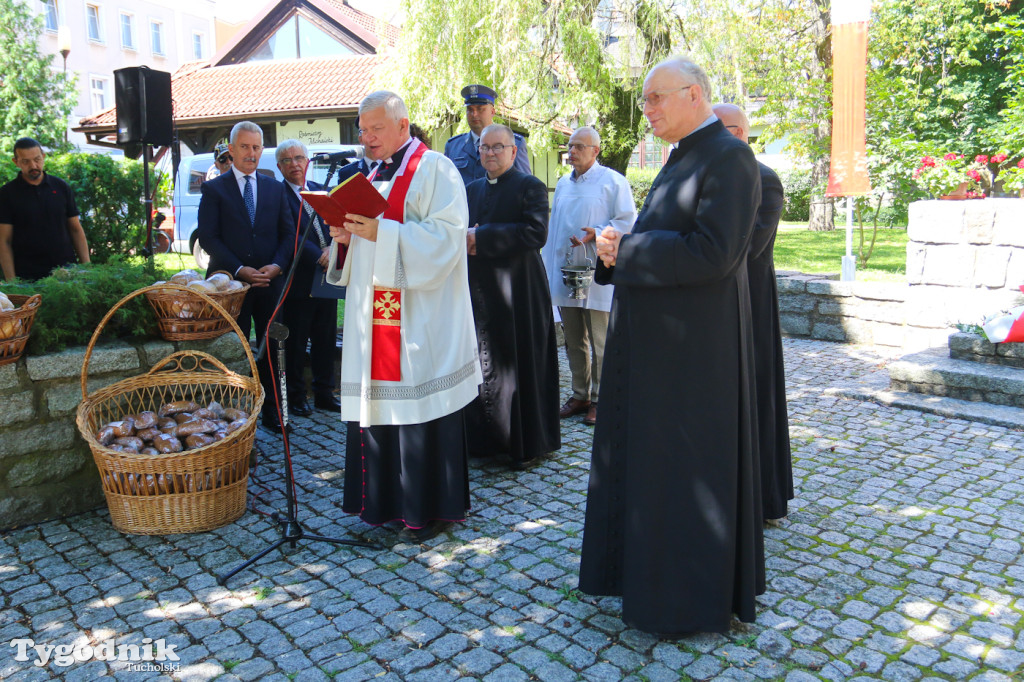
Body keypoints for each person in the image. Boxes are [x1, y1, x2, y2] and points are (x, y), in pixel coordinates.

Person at [578, 56, 765, 634]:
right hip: (659, 348)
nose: (649, 110)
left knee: (682, 472)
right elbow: (669, 237)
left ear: (695, 94)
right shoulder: (683, 156)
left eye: (657, 98)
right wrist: (619, 248)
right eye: (646, 100)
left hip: (694, 360)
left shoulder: (730, 159)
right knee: (650, 467)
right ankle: (643, 578)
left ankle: (683, 598)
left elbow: (715, 254)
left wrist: (628, 252)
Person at [325, 90, 482, 543]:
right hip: (373, 318)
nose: (367, 137)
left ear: (403, 126)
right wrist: (345, 238)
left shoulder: (436, 169)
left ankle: (426, 509)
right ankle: (384, 506)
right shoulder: (366, 175)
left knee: (415, 404)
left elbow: (446, 239)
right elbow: (363, 244)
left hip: (419, 315)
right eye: (363, 129)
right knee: (379, 401)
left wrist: (380, 232)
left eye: (376, 129)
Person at [713, 102, 793, 521]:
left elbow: (747, 248)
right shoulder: (710, 175)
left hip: (751, 303)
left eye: (722, 128)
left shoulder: (764, 180)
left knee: (755, 394)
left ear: (741, 133)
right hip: (713, 308)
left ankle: (761, 495)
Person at [464, 124, 560, 468]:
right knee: (484, 360)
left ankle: (526, 444)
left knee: (520, 362)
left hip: (519, 289)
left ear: (513, 151)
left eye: (498, 147)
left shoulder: (530, 186)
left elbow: (536, 232)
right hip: (480, 290)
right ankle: (486, 442)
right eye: (485, 148)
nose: (491, 153)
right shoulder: (472, 189)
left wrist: (482, 237)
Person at [196, 121, 295, 432]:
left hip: (270, 282)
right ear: (231, 149)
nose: (251, 154)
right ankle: (232, 421)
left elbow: (288, 234)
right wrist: (240, 270)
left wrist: (277, 266)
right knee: (232, 352)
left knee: (275, 350)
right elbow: (209, 238)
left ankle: (277, 414)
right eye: (244, 147)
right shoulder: (214, 189)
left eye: (256, 148)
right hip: (231, 285)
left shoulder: (275, 188)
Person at [543, 126, 636, 427]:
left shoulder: (612, 182)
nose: (572, 152)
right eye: (570, 146)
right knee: (573, 339)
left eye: (580, 147)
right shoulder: (563, 183)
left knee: (600, 339)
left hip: (599, 272)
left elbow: (627, 221)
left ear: (596, 151)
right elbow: (555, 227)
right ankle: (579, 393)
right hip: (567, 272)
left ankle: (600, 398)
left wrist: (598, 233)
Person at [275, 138, 341, 418]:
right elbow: (290, 236)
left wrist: (333, 249)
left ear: (308, 162)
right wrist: (319, 254)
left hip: (328, 278)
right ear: (279, 167)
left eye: (299, 158)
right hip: (300, 281)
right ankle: (298, 397)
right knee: (297, 342)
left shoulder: (320, 191)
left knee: (325, 339)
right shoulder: (278, 197)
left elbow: (335, 224)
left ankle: (325, 393)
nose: (295, 165)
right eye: (288, 160)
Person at [0, 138, 90, 281]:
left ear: (43, 157)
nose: (33, 165)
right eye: (26, 161)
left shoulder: (61, 187)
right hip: (27, 276)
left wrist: (87, 268)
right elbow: (4, 241)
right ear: (16, 162)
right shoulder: (7, 194)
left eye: (37, 159)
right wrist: (12, 282)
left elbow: (75, 229)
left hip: (66, 272)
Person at [444, 84, 531, 185]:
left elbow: (526, 185)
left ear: (492, 112)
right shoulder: (453, 146)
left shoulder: (514, 143)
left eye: (480, 109)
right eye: (470, 109)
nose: (474, 114)